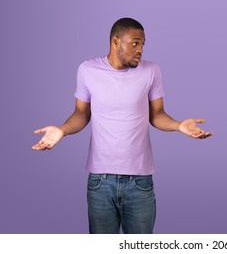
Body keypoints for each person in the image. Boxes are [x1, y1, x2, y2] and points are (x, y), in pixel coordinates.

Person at [32, 17, 213, 234]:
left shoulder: (151, 71)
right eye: (135, 43)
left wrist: (178, 126)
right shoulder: (87, 70)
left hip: (140, 181)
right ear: (116, 41)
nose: (140, 50)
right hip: (100, 181)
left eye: (143, 44)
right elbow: (81, 114)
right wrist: (61, 130)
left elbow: (156, 115)